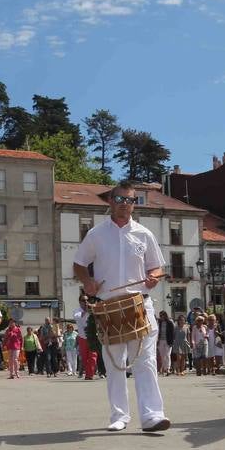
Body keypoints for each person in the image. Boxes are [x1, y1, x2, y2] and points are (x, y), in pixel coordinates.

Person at [72, 181, 170, 432]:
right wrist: (88, 282)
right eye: (120, 199)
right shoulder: (96, 234)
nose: (125, 205)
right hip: (108, 307)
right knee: (115, 363)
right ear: (110, 201)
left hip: (139, 304)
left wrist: (153, 277)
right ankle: (119, 416)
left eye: (130, 200)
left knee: (146, 361)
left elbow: (157, 267)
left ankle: (152, 416)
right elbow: (79, 264)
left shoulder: (144, 234)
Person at [73, 293, 97, 380]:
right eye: (83, 300)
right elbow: (78, 317)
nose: (86, 302)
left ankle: (90, 374)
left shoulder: (92, 309)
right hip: (82, 337)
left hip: (92, 337)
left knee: (93, 356)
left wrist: (93, 308)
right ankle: (88, 373)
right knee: (84, 358)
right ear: (80, 302)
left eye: (87, 300)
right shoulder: (77, 311)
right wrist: (86, 311)